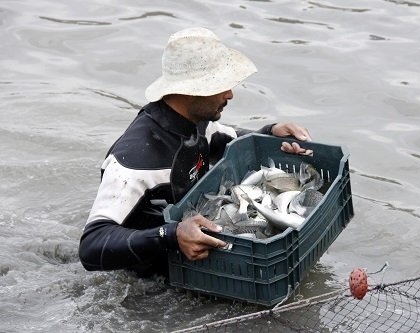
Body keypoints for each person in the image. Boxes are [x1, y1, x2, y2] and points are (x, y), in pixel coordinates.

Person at [78, 27, 312, 277]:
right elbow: (91, 245)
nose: (230, 94)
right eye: (221, 84)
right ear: (191, 90)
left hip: (194, 263)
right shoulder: (135, 161)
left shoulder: (195, 122)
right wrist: (171, 234)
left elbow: (229, 140)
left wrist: (270, 133)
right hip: (148, 283)